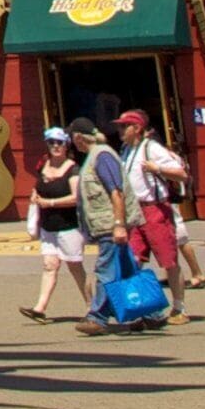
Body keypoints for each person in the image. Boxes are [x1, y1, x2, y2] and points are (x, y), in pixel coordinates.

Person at [68, 117, 148, 334]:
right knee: (127, 269)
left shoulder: (102, 156)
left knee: (106, 270)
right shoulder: (94, 156)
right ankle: (146, 313)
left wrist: (119, 225)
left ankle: (98, 317)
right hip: (105, 225)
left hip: (110, 226)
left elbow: (116, 191)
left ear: (78, 137)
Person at [113, 110, 194, 323]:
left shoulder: (151, 148)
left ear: (137, 128)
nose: (120, 130)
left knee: (168, 260)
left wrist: (156, 168)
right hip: (135, 211)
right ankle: (141, 307)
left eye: (124, 126)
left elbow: (182, 174)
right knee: (134, 260)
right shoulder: (125, 150)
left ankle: (179, 308)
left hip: (155, 209)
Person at [23, 127, 91, 323]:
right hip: (48, 226)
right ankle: (40, 308)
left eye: (59, 142)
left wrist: (51, 203)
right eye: (51, 142)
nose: (55, 146)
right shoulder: (43, 164)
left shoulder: (73, 169)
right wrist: (35, 195)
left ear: (66, 144)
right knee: (49, 265)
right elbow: (38, 186)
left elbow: (76, 197)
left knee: (75, 267)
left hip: (69, 226)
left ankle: (91, 306)